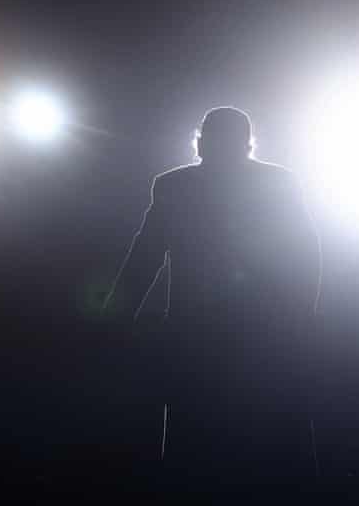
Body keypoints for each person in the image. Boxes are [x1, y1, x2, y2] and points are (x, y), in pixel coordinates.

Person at [105, 106, 322, 496]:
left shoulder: (174, 187)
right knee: (278, 448)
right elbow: (306, 256)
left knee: (196, 450)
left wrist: (112, 320)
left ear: (201, 143)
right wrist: (300, 321)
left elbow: (145, 257)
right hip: (263, 340)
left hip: (198, 342)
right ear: (248, 144)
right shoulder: (279, 183)